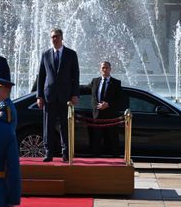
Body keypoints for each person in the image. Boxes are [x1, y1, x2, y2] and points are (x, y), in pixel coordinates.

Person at [36, 28, 80, 162]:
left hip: (65, 97)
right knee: (48, 126)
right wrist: (39, 96)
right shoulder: (45, 54)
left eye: (56, 37)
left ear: (62, 38)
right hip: (49, 97)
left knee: (65, 126)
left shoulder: (71, 54)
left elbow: (75, 76)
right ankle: (48, 153)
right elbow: (41, 76)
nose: (54, 39)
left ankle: (66, 153)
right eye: (52, 37)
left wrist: (75, 94)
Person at [90, 61, 122, 157]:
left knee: (113, 139)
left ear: (110, 69)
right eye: (103, 67)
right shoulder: (95, 81)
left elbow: (120, 99)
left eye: (107, 68)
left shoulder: (116, 83)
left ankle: (116, 160)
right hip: (97, 116)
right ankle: (95, 160)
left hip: (111, 116)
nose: (105, 69)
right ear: (100, 69)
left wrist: (108, 104)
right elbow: (84, 88)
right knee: (96, 139)